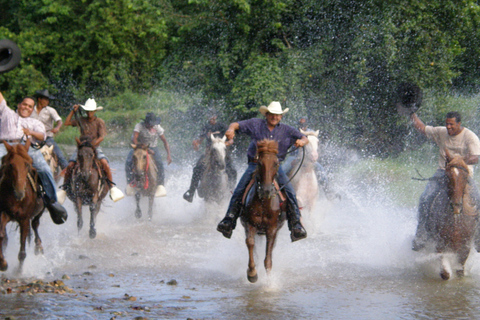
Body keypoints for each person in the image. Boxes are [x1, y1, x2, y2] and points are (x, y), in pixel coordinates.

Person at [216, 101, 308, 242]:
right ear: (266, 114)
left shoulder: (287, 130)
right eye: (272, 114)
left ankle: (296, 225)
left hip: (276, 167)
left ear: (281, 117)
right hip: (255, 165)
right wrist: (230, 130)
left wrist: (302, 141)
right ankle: (229, 220)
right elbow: (236, 124)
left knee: (290, 191)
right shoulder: (255, 124)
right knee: (239, 189)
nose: (274, 117)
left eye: (277, 115)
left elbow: (304, 137)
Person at [410, 111, 480, 251]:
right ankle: (421, 234)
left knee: (478, 199)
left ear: (459, 124)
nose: (448, 127)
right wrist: (412, 113)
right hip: (442, 173)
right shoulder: (441, 132)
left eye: (451, 124)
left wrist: (459, 161)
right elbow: (422, 128)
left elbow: (476, 157)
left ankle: (478, 238)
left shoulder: (469, 137)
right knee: (425, 198)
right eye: (447, 123)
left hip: (463, 175)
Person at [0, 92, 67, 224]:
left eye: (30, 106)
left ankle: (51, 201)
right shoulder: (7, 113)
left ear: (32, 109)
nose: (26, 108)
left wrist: (30, 132)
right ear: (19, 105)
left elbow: (42, 136)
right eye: (24, 104)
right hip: (5, 146)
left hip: (26, 147)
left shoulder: (34, 122)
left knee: (44, 168)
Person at [58, 98, 124, 203]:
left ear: (95, 111)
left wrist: (92, 145)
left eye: (91, 111)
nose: (89, 113)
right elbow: (66, 123)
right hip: (82, 147)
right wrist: (73, 111)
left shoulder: (99, 122)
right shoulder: (81, 120)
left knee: (104, 163)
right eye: (88, 111)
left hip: (95, 147)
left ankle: (111, 186)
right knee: (70, 165)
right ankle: (65, 188)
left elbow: (101, 137)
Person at [183, 113, 237, 202]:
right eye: (209, 116)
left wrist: (227, 143)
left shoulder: (222, 126)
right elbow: (200, 140)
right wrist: (196, 144)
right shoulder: (206, 127)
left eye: (213, 116)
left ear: (216, 117)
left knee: (232, 169)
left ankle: (232, 190)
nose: (211, 118)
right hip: (209, 152)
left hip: (222, 151)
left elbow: (231, 139)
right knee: (198, 167)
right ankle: (191, 192)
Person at [125, 112, 172, 197]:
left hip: (153, 147)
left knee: (159, 163)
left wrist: (168, 155)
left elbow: (165, 142)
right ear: (146, 122)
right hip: (139, 147)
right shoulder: (139, 126)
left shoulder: (157, 128)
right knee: (128, 161)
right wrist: (143, 147)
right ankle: (129, 184)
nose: (151, 126)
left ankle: (160, 185)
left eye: (152, 124)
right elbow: (134, 139)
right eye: (150, 124)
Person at [31, 89, 69, 169]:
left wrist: (57, 128)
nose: (47, 101)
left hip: (47, 138)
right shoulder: (31, 110)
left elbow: (59, 121)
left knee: (60, 156)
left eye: (48, 100)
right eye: (46, 99)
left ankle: (67, 173)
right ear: (39, 99)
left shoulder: (50, 110)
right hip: (33, 138)